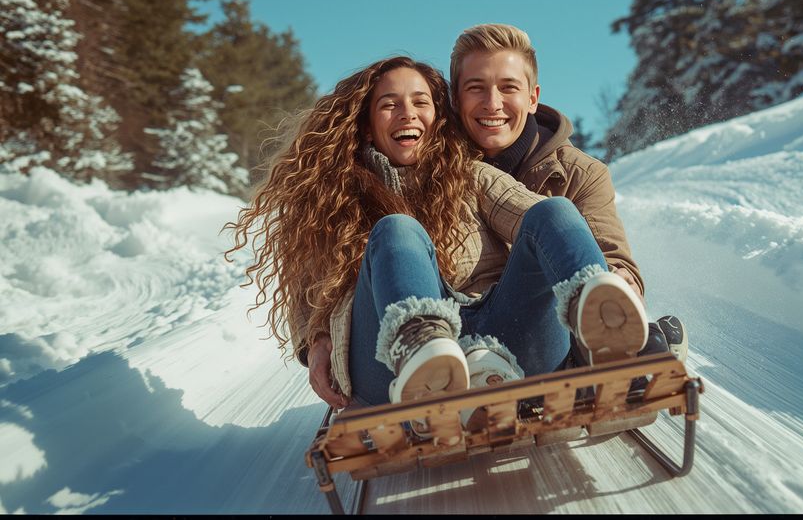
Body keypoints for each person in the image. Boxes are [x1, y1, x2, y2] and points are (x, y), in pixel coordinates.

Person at [225, 56, 649, 412]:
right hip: (389, 364)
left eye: (420, 102)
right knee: (396, 230)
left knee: (554, 209)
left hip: (503, 332)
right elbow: (307, 288)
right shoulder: (333, 200)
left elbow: (539, 221)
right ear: (368, 126)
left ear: (437, 118)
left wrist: (595, 268)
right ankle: (424, 352)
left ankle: (598, 319)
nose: (407, 114)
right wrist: (314, 343)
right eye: (390, 104)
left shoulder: (469, 176)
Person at [449, 24, 687, 365]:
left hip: (543, 335)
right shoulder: (431, 173)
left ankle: (619, 347)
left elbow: (614, 258)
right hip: (460, 334)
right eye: (476, 88)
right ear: (456, 100)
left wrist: (618, 291)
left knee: (553, 213)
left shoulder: (579, 175)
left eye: (508, 88)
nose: (492, 103)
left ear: (532, 98)